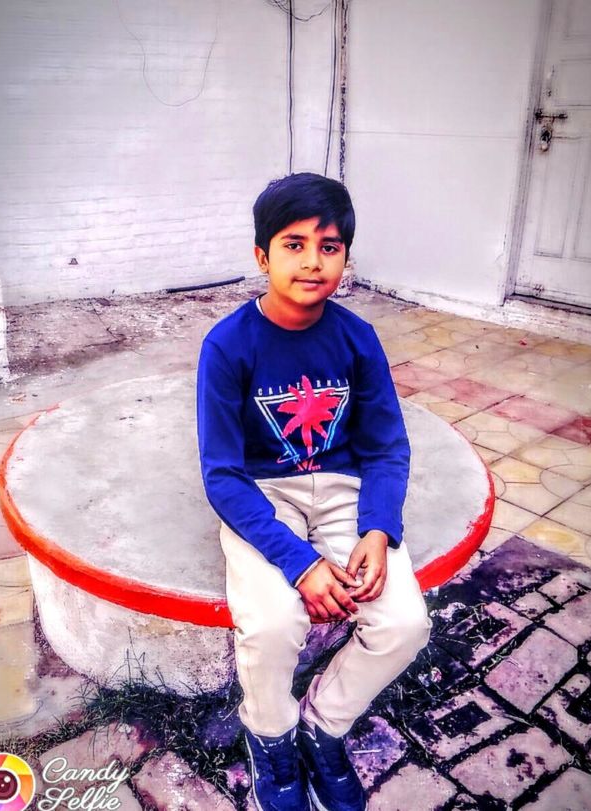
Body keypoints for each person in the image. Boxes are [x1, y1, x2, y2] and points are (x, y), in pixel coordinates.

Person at [196, 172, 431, 811]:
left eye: (329, 247)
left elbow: (386, 447)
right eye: (293, 245)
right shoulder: (227, 347)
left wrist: (379, 529)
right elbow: (222, 475)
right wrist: (300, 563)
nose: (312, 262)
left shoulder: (357, 339)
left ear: (345, 258)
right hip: (263, 493)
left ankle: (322, 727)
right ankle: (270, 738)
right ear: (262, 256)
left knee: (404, 623)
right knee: (272, 624)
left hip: (344, 490)